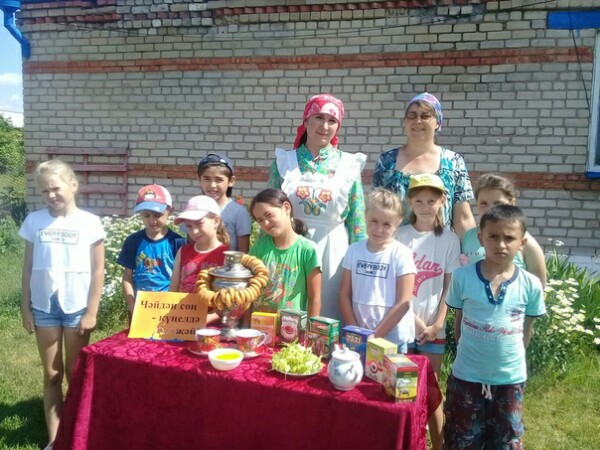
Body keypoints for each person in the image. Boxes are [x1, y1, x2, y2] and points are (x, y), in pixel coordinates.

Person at [443, 205, 546, 450]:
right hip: (466, 376)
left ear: (521, 242)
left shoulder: (531, 285)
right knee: (462, 438)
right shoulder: (462, 277)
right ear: (481, 238)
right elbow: (458, 320)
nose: (501, 244)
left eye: (509, 238)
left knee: (505, 440)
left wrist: (509, 360)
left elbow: (527, 329)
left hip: (509, 379)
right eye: (493, 236)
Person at [19, 159, 105, 450]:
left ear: (73, 185)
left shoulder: (90, 223)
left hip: (77, 307)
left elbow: (98, 270)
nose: (51, 195)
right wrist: (26, 307)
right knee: (52, 374)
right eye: (44, 191)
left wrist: (91, 311)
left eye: (55, 188)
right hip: (44, 306)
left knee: (75, 374)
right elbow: (28, 267)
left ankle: (78, 434)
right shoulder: (34, 222)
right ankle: (55, 440)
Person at [269, 93, 367, 321]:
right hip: (291, 249)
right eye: (319, 118)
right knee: (289, 313)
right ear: (306, 121)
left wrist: (361, 264)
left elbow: (357, 220)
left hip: (333, 252)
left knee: (327, 315)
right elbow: (270, 210)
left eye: (332, 121)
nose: (324, 126)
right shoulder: (284, 162)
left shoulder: (349, 165)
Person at [396, 173, 460, 450]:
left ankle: (439, 444)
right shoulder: (401, 235)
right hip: (404, 324)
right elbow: (397, 284)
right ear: (410, 201)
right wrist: (414, 320)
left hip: (434, 328)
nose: (425, 206)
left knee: (431, 390)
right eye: (419, 200)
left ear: (442, 201)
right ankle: (409, 440)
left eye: (431, 201)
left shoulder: (449, 239)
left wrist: (436, 323)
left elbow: (449, 285)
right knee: (404, 387)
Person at [372, 92, 475, 239]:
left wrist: (473, 249)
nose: (418, 121)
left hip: (441, 250)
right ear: (405, 121)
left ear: (438, 122)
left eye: (425, 116)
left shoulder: (453, 162)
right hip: (396, 248)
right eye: (412, 116)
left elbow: (463, 218)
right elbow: (376, 213)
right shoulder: (386, 162)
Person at [339, 188, 416, 352]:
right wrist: (356, 331)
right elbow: (344, 293)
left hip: (392, 342)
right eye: (374, 221)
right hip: (359, 336)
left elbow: (404, 302)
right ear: (365, 216)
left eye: (386, 224)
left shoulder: (402, 254)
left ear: (397, 223)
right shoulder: (353, 251)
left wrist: (374, 337)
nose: (379, 229)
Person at [461, 172, 547, 288]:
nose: (489, 209)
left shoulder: (525, 242)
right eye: (484, 203)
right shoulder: (467, 238)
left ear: (512, 203)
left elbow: (538, 286)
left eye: (497, 203)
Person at [117, 184, 186, 322]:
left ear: (170, 211)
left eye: (158, 215)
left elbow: (183, 279)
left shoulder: (177, 242)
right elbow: (127, 277)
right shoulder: (133, 241)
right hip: (140, 306)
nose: (152, 221)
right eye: (146, 215)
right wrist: (132, 305)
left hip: (168, 307)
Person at [248, 188, 322, 317]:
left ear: (286, 208)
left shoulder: (308, 250)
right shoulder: (258, 248)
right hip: (260, 324)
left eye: (269, 215)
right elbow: (248, 291)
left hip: (292, 326)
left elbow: (314, 298)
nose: (266, 223)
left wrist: (310, 328)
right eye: (260, 220)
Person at [170, 195, 229, 295]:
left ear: (216, 221)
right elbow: (174, 287)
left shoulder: (226, 256)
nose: (194, 231)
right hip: (182, 305)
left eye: (199, 223)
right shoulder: (182, 252)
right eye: (189, 226)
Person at [196, 153, 251, 253]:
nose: (212, 185)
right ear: (199, 180)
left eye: (219, 180)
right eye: (207, 179)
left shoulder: (238, 212)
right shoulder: (194, 209)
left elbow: (243, 253)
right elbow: (190, 244)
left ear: (231, 181)